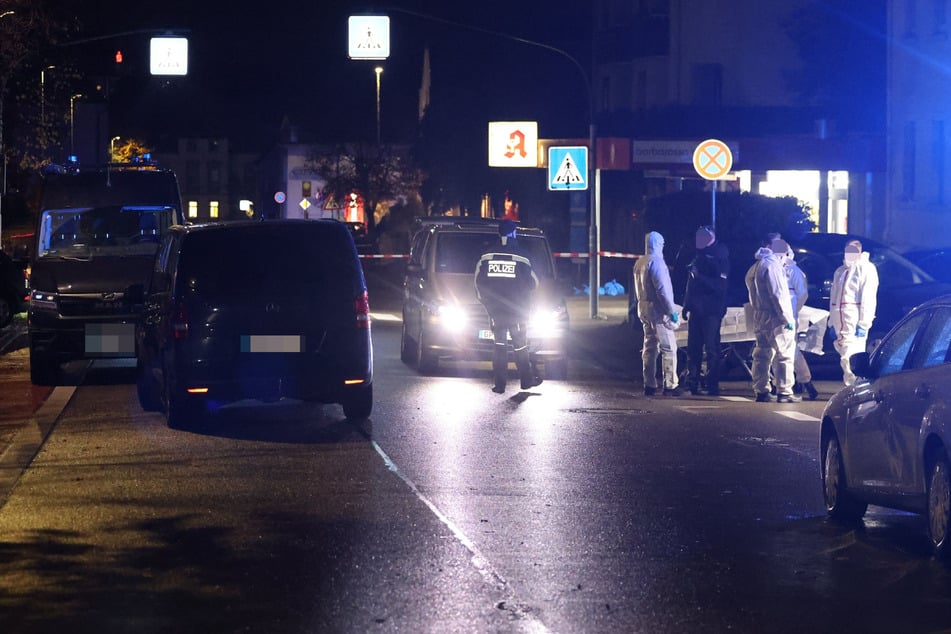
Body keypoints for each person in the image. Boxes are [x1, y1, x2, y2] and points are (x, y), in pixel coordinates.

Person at [474, 219, 542, 394]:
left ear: (499, 233)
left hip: (496, 311)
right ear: (513, 233)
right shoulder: (523, 256)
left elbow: (478, 283)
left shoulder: (486, 256)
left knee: (499, 346)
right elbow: (534, 283)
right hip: (517, 311)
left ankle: (500, 385)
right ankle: (526, 381)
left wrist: (487, 305)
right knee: (520, 345)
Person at [746, 238, 799, 402]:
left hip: (761, 316)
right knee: (785, 354)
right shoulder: (773, 266)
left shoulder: (756, 266)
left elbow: (752, 292)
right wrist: (787, 318)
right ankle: (784, 391)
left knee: (762, 354)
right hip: (776, 319)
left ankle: (761, 390)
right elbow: (778, 294)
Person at [682, 225, 730, 395]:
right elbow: (691, 283)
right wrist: (686, 304)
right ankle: (692, 382)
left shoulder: (720, 256)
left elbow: (720, 287)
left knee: (711, 349)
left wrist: (699, 276)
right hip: (696, 309)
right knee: (693, 348)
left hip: (711, 310)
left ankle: (712, 384)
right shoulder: (699, 255)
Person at [633, 231, 681, 396]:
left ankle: (649, 383)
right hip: (658, 311)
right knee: (668, 347)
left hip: (643, 308)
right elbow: (662, 290)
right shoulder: (658, 263)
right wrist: (671, 311)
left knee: (649, 347)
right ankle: (670, 385)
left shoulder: (640, 262)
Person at [829, 239, 879, 386]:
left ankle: (854, 386)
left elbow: (868, 297)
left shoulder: (866, 269)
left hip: (853, 318)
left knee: (851, 356)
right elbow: (834, 296)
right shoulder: (840, 271)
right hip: (840, 320)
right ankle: (854, 386)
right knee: (844, 354)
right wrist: (831, 321)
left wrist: (864, 322)